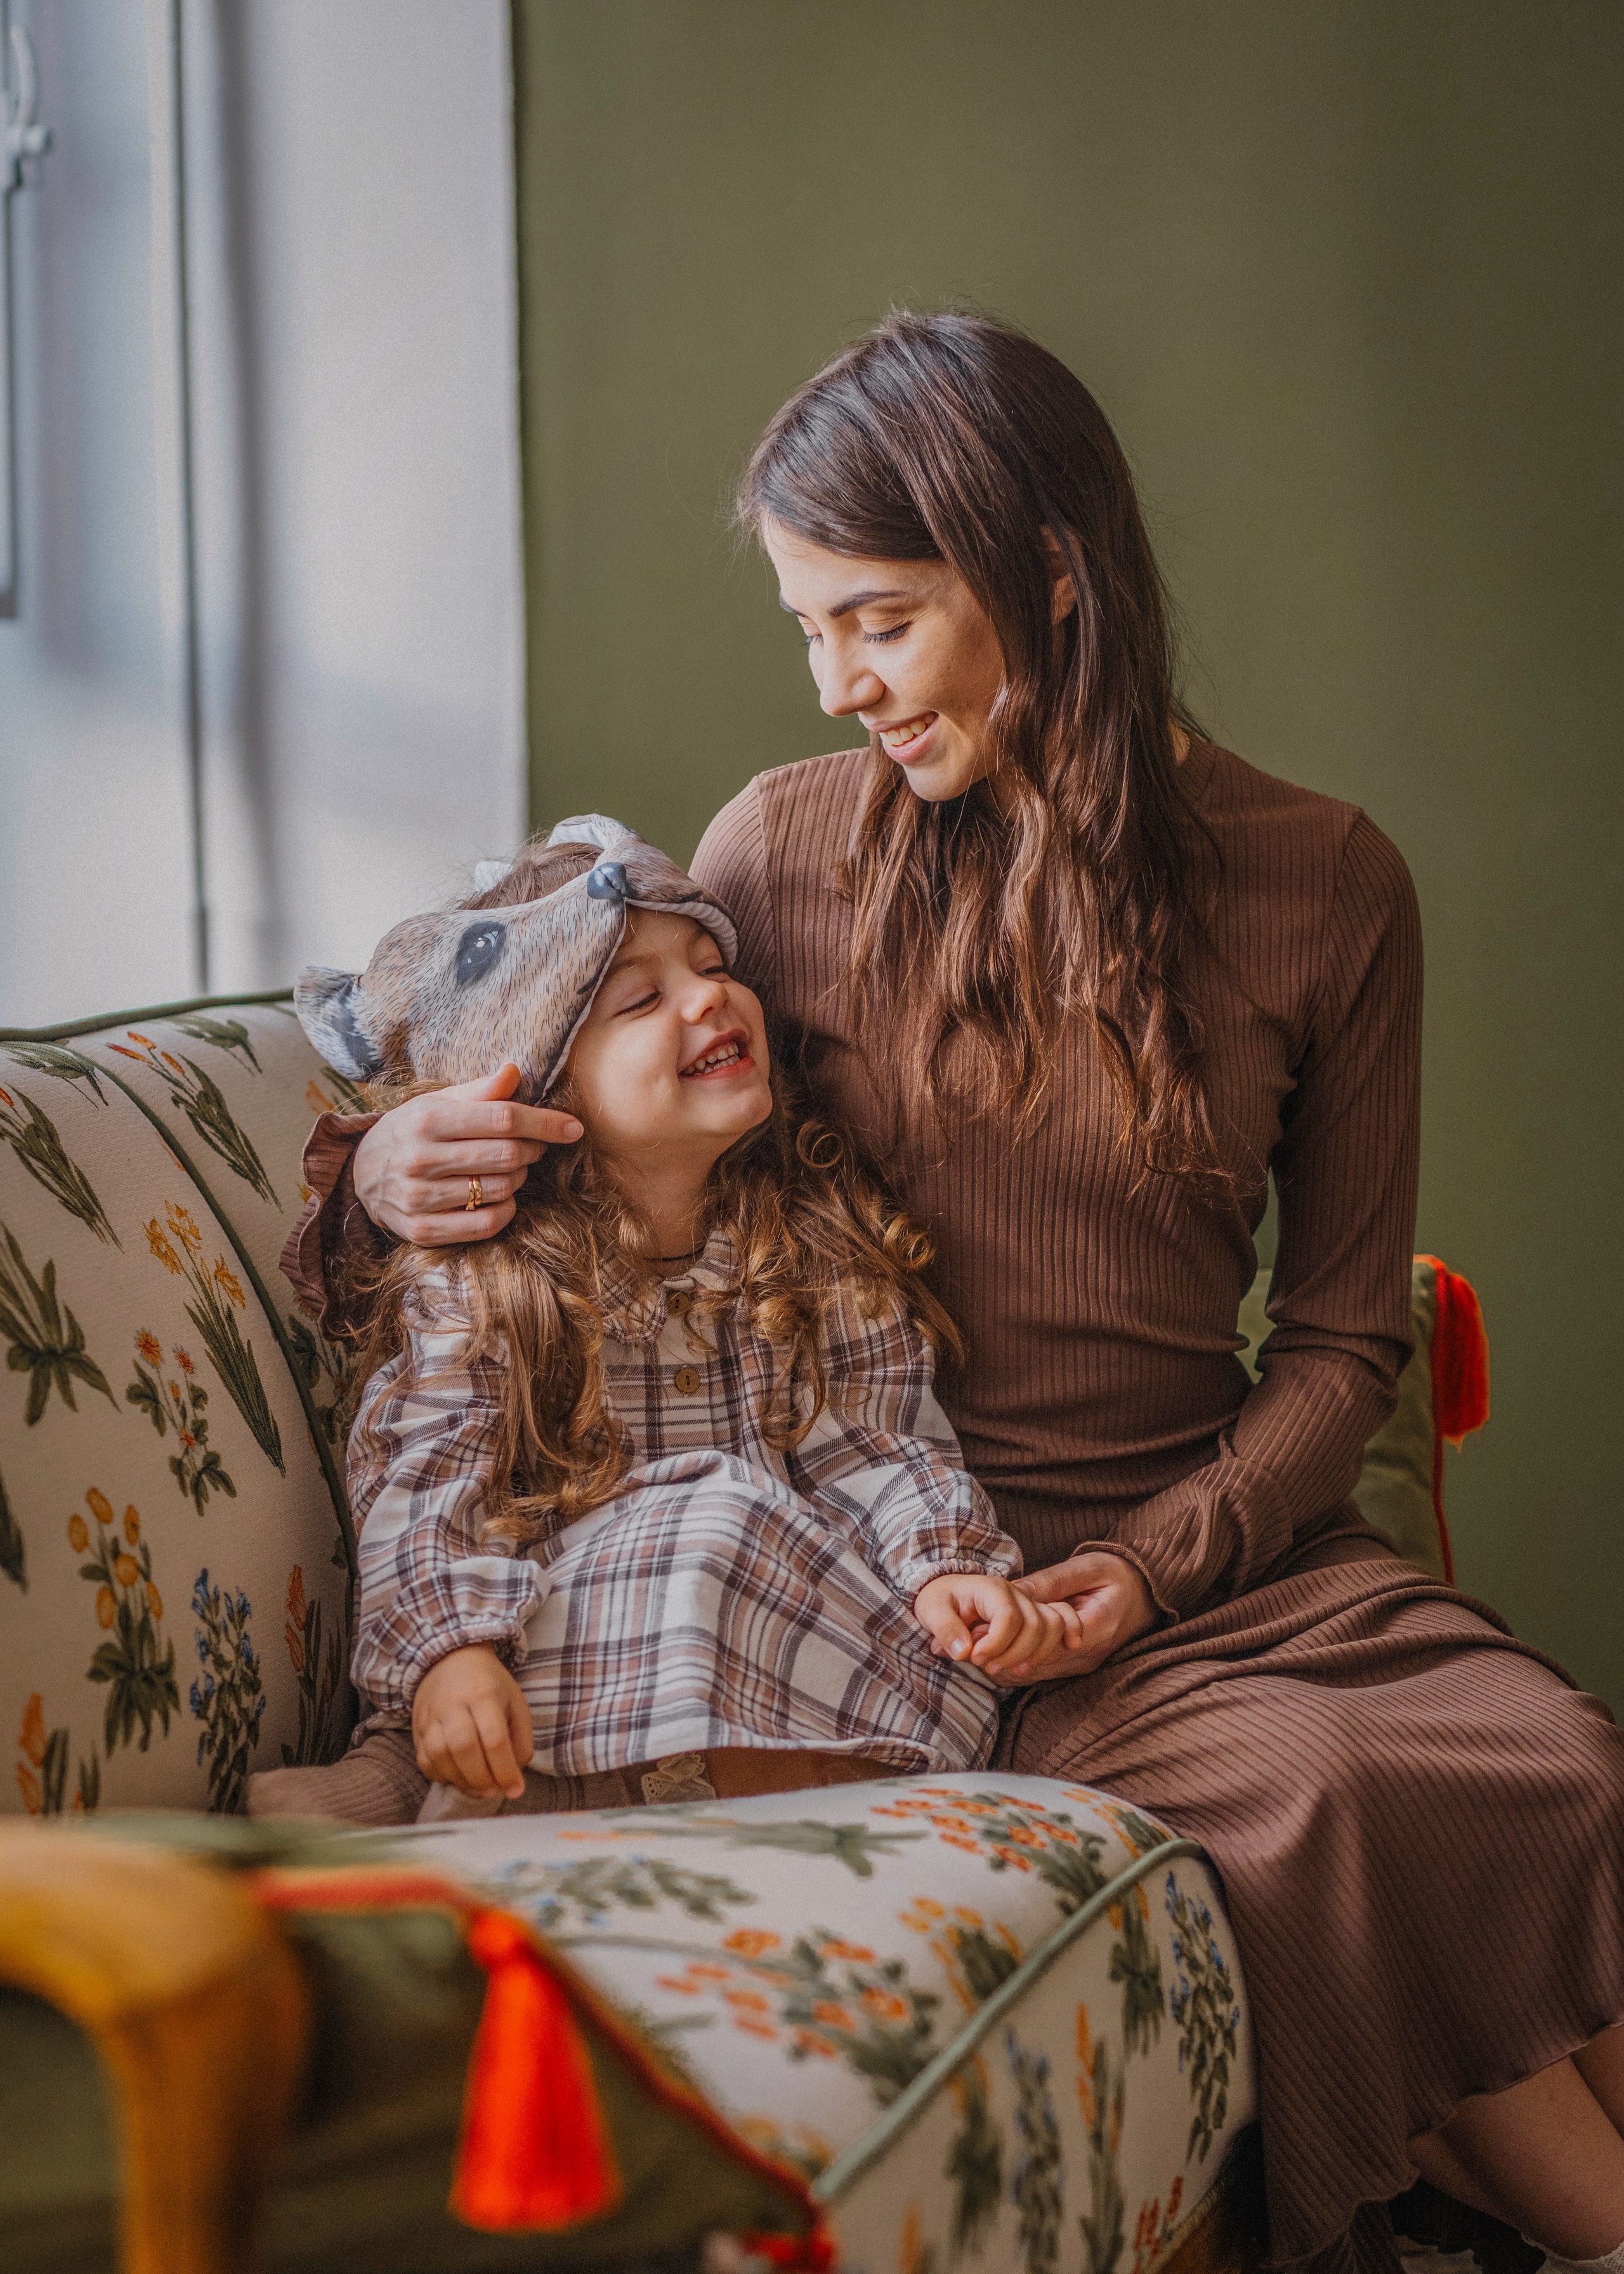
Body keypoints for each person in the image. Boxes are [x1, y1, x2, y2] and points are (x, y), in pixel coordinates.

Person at [284, 313, 1624, 2271]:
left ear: (1049, 573)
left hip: (1224, 1556)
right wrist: (396, 1173)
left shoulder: (1331, 883)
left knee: (1561, 1762)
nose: (842, 687)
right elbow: (593, 1082)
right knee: (1332, 1794)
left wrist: (1163, 1564)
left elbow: (1345, 1341)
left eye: (881, 622)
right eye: (811, 630)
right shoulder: (787, 848)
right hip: (933, 1593)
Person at [253, 815, 1069, 1829]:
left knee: (732, 1526)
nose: (710, 994)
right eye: (642, 998)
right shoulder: (490, 1288)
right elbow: (428, 1485)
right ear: (539, 1093)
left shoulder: (812, 1245)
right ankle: (425, 1766)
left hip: (770, 1619)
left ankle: (701, 1799)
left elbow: (878, 1448)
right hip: (555, 1633)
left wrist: (943, 1565)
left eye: (712, 963)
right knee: (665, 1538)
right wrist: (449, 1656)